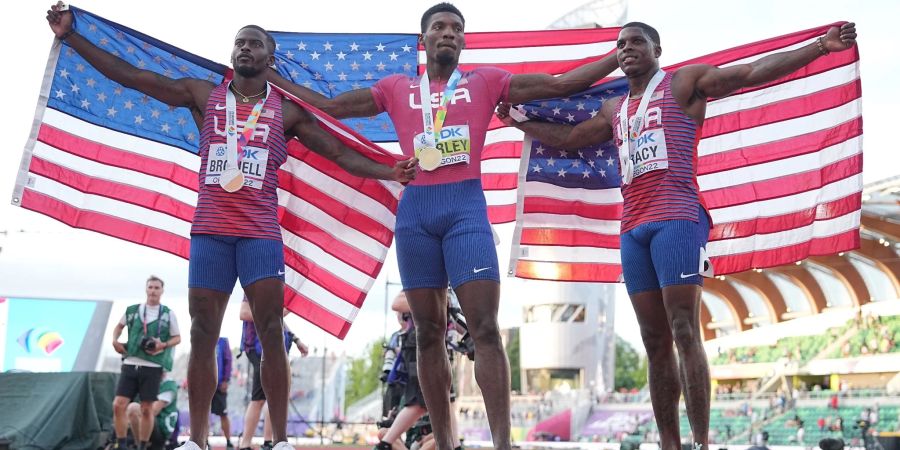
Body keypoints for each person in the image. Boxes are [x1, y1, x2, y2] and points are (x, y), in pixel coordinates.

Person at [45, 5, 416, 450]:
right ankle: (197, 440)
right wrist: (73, 38)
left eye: (254, 42)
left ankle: (278, 440)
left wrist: (388, 171)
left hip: (260, 234)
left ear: (269, 59)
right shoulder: (204, 95)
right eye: (240, 41)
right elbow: (132, 76)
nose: (244, 47)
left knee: (271, 331)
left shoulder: (288, 114)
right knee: (202, 331)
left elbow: (338, 153)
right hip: (210, 232)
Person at [267, 4, 618, 449]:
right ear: (425, 40)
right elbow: (330, 106)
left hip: (465, 211)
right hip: (416, 216)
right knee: (428, 333)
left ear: (464, 40)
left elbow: (562, 85)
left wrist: (615, 56)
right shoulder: (396, 88)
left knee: (485, 329)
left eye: (456, 28)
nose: (448, 33)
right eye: (439, 27)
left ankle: (502, 443)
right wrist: (272, 78)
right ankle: (447, 443)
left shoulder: (486, 82)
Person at [495, 21, 857, 450]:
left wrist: (818, 47)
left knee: (684, 328)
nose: (626, 49)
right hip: (633, 228)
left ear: (657, 49)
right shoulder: (614, 109)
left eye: (636, 42)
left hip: (679, 218)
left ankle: (701, 442)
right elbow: (573, 138)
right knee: (653, 340)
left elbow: (750, 73)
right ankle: (670, 443)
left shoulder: (683, 83)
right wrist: (520, 123)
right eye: (621, 44)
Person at [110, 275, 182, 450]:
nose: (153, 291)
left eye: (157, 288)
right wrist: (115, 341)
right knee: (118, 404)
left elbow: (177, 338)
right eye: (150, 287)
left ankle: (142, 445)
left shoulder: (167, 313)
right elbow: (119, 327)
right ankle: (121, 444)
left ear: (162, 291)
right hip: (131, 361)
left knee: (147, 408)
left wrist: (162, 344)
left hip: (153, 365)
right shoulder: (133, 310)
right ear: (146, 289)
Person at [237, 297, 309, 450]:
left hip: (271, 347)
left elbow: (278, 320)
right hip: (256, 347)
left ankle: (268, 442)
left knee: (274, 397)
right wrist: (282, 311)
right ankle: (245, 444)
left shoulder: (276, 284)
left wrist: (296, 340)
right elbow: (244, 313)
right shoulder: (254, 283)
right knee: (259, 398)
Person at [125, 373, 180, 450]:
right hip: (144, 424)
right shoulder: (144, 381)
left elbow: (153, 411)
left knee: (133, 408)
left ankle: (141, 446)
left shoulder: (169, 385)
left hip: (161, 429)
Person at [213, 337, 234, 450]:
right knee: (203, 414)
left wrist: (226, 380)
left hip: (219, 384)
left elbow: (228, 360)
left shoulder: (223, 342)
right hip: (205, 384)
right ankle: (203, 441)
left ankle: (229, 441)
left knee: (223, 414)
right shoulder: (203, 338)